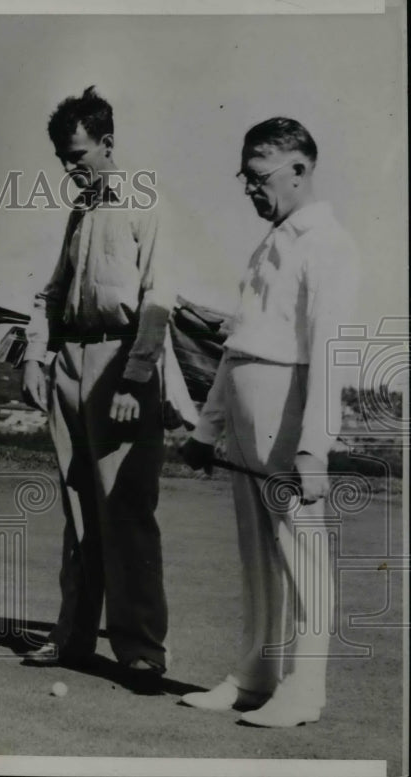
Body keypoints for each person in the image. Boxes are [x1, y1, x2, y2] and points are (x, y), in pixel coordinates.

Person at [180, 118, 359, 727]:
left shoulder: (326, 243)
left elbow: (331, 349)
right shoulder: (270, 243)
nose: (251, 190)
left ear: (300, 170)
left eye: (259, 178)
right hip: (248, 417)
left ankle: (305, 689)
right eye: (245, 178)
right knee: (257, 554)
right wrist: (207, 431)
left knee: (301, 553)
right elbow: (236, 347)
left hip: (290, 415)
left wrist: (316, 448)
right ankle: (257, 675)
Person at [20, 87, 175, 683]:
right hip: (70, 364)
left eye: (77, 154)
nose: (68, 167)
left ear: (108, 144)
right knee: (79, 512)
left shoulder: (143, 203)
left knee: (127, 513)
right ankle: (73, 639)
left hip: (122, 365)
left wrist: (135, 380)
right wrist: (36, 358)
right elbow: (52, 294)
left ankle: (140, 649)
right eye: (62, 156)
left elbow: (159, 299)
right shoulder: (80, 210)